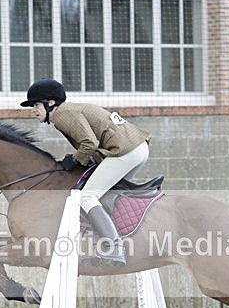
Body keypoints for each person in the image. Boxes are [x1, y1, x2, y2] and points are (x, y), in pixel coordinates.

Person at [21, 79, 151, 266]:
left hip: (125, 152)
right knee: (102, 194)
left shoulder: (61, 115)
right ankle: (102, 240)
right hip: (137, 149)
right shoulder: (69, 110)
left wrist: (75, 160)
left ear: (51, 104)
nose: (33, 111)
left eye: (36, 105)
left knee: (86, 197)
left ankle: (114, 248)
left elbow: (89, 143)